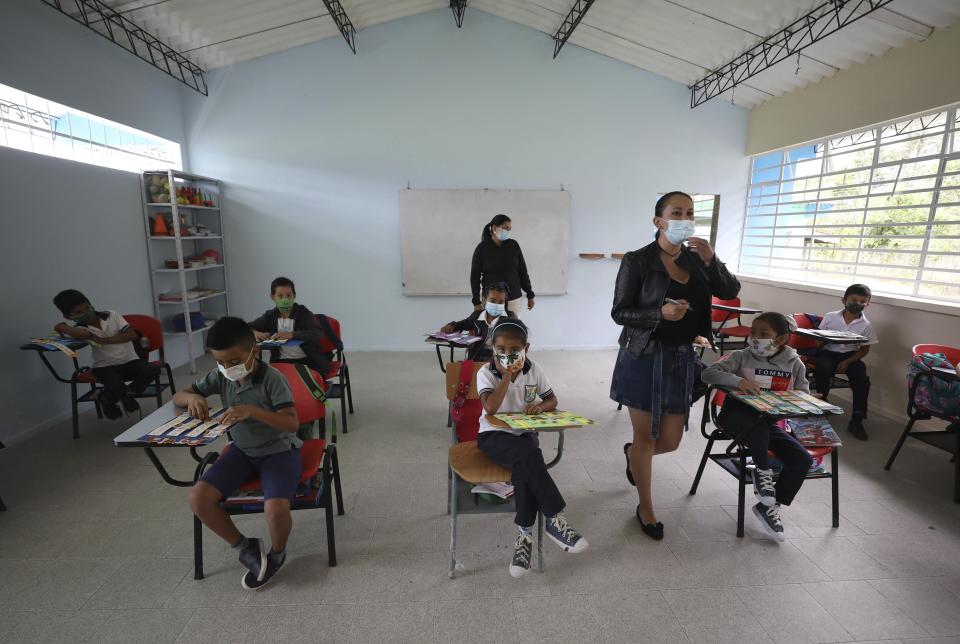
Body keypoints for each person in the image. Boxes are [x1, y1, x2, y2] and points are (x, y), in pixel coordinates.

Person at [611, 191, 740, 540]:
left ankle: (631, 455)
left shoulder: (697, 259)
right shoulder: (637, 261)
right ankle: (646, 507)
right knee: (646, 437)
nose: (685, 219)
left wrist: (713, 260)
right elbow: (619, 312)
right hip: (644, 355)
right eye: (676, 212)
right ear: (659, 221)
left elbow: (729, 290)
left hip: (683, 358)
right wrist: (659, 313)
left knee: (669, 441)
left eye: (690, 213)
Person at [177, 317, 300, 590]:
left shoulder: (273, 379)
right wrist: (194, 398)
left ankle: (277, 554)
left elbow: (292, 423)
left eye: (233, 361)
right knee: (198, 499)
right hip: (242, 451)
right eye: (220, 362)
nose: (226, 368)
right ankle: (245, 547)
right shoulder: (219, 377)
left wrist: (253, 412)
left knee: (276, 510)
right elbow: (180, 395)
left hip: (279, 451)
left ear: (254, 351)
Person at [476, 319, 588, 578]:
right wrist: (506, 376)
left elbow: (552, 399)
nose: (507, 355)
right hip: (493, 435)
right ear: (493, 346)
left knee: (525, 467)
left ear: (526, 348)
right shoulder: (485, 371)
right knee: (530, 456)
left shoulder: (533, 369)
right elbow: (490, 408)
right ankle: (553, 518)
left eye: (514, 349)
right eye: (501, 349)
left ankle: (524, 536)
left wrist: (539, 407)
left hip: (524, 432)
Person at [701, 312, 814, 542]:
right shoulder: (741, 356)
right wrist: (739, 381)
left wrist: (804, 401)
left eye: (764, 334)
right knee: (758, 424)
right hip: (733, 417)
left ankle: (770, 507)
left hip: (768, 421)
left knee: (802, 458)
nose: (755, 338)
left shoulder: (794, 362)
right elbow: (708, 372)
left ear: (781, 339)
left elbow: (803, 393)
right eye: (753, 332)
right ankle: (762, 473)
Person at [52, 289, 160, 420]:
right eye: (79, 312)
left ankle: (123, 395)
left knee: (152, 369)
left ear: (91, 304)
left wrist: (103, 340)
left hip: (130, 361)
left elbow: (131, 335)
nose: (86, 313)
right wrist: (61, 327)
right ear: (69, 317)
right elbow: (84, 334)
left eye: (87, 308)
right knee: (115, 385)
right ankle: (113, 398)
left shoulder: (112, 315)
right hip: (104, 367)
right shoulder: (80, 328)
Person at [814, 284, 877, 441]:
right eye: (854, 299)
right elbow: (817, 340)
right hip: (828, 352)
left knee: (861, 379)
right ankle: (822, 404)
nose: (858, 303)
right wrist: (821, 341)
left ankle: (857, 420)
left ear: (868, 304)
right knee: (823, 367)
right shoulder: (830, 317)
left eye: (863, 301)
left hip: (851, 356)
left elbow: (864, 350)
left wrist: (848, 362)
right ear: (844, 300)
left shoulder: (866, 325)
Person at [250, 277, 330, 377]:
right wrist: (254, 332)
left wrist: (291, 335)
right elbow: (244, 327)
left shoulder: (303, 312)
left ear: (294, 296)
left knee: (304, 385)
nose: (285, 300)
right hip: (282, 362)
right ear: (272, 297)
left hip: (309, 361)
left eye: (288, 295)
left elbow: (318, 333)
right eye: (280, 296)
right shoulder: (270, 316)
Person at [470, 214, 535, 317]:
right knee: (491, 330)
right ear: (495, 228)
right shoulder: (482, 248)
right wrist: (476, 302)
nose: (508, 231)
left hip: (513, 299)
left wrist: (530, 294)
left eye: (510, 229)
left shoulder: (513, 245)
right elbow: (474, 277)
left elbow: (522, 271)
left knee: (512, 330)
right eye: (506, 228)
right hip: (491, 301)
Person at [439, 281, 516, 361]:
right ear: (485, 299)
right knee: (458, 370)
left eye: (501, 302)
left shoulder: (510, 319)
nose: (496, 305)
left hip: (499, 360)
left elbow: (518, 341)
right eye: (492, 301)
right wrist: (451, 325)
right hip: (476, 357)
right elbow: (461, 324)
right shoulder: (477, 316)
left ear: (505, 302)